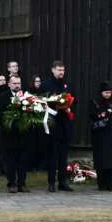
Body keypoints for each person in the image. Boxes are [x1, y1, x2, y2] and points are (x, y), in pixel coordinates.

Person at [40, 60, 75, 192]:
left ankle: (62, 181)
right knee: (52, 155)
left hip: (65, 123)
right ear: (53, 70)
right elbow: (42, 102)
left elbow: (74, 100)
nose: (61, 72)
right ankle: (51, 182)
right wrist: (54, 102)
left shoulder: (68, 84)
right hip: (52, 124)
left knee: (63, 155)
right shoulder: (46, 85)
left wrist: (67, 105)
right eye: (59, 70)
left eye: (63, 70)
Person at [0, 75, 32, 193]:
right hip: (9, 135)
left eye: (19, 83)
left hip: (23, 135)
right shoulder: (3, 97)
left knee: (23, 161)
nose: (17, 85)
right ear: (9, 84)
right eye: (14, 83)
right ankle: (11, 183)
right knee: (11, 161)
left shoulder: (27, 97)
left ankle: (22, 183)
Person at [89, 81, 112, 191]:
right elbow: (92, 115)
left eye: (110, 92)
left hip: (110, 134)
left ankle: (110, 185)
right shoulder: (95, 101)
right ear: (101, 92)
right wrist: (102, 115)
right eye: (106, 92)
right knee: (100, 160)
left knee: (110, 160)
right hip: (99, 134)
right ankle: (101, 185)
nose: (108, 94)